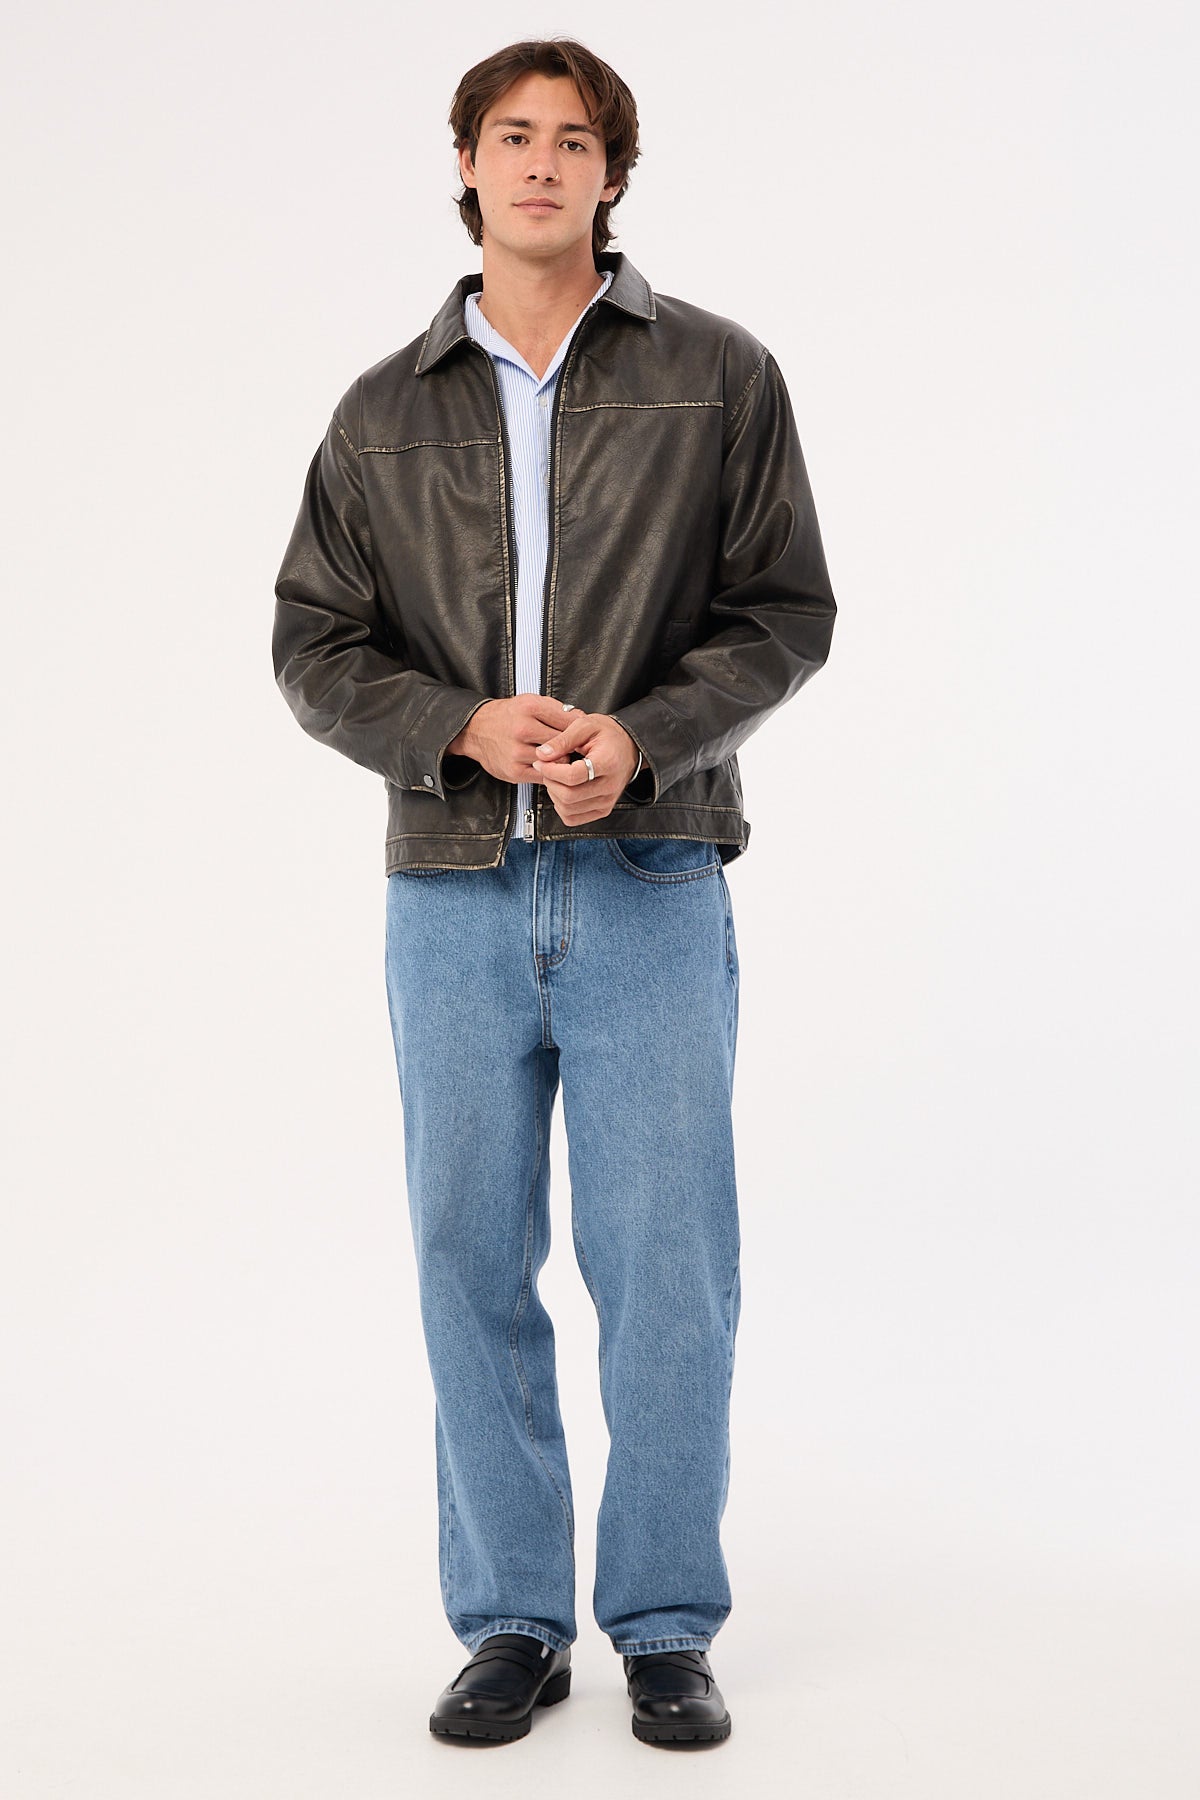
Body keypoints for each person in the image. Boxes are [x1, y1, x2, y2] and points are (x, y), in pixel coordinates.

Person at [272, 35, 836, 1749]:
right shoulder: (382, 408)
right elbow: (313, 644)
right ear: (464, 162)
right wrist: (459, 725)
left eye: (574, 140)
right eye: (512, 135)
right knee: (468, 1256)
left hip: (650, 876)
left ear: (611, 173)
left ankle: (663, 1620)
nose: (541, 163)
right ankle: (511, 1618)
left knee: (668, 1269)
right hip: (451, 891)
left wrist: (643, 742)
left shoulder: (720, 375)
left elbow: (784, 614)